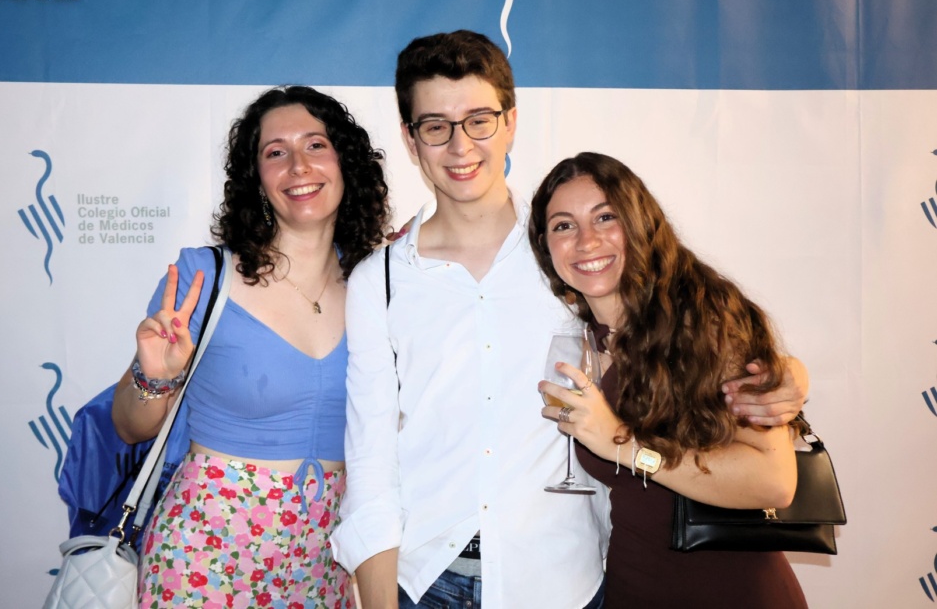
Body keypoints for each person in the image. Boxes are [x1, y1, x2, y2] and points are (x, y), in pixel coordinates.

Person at [332, 30, 809, 609]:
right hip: (426, 579)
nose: (460, 145)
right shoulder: (381, 280)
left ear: (510, 123)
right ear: (411, 140)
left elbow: (676, 326)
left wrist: (784, 372)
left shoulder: (568, 257)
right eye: (436, 126)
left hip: (561, 582)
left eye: (479, 120)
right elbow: (371, 463)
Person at [111, 85, 390, 608]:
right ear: (257, 179)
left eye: (316, 145)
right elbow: (130, 427)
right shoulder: (203, 278)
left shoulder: (378, 286)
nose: (298, 166)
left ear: (345, 163)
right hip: (204, 556)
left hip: (325, 561)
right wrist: (156, 378)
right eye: (276, 152)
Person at [532, 152, 808, 608]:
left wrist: (622, 444)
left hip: (731, 594)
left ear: (639, 223)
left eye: (605, 217)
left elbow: (774, 481)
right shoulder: (585, 340)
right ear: (546, 247)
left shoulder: (705, 321)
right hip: (634, 588)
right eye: (564, 225)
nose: (587, 240)